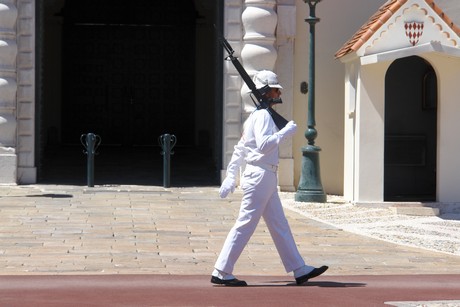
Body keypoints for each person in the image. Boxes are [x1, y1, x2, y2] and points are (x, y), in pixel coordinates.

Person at [211, 70, 328, 287]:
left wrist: (231, 175)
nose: (278, 92)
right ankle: (221, 270)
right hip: (261, 175)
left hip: (265, 176)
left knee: (279, 224)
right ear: (266, 92)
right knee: (245, 223)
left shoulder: (256, 116)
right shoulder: (263, 116)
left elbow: (240, 148)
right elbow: (264, 146)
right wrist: (285, 133)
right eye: (275, 89)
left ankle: (299, 269)